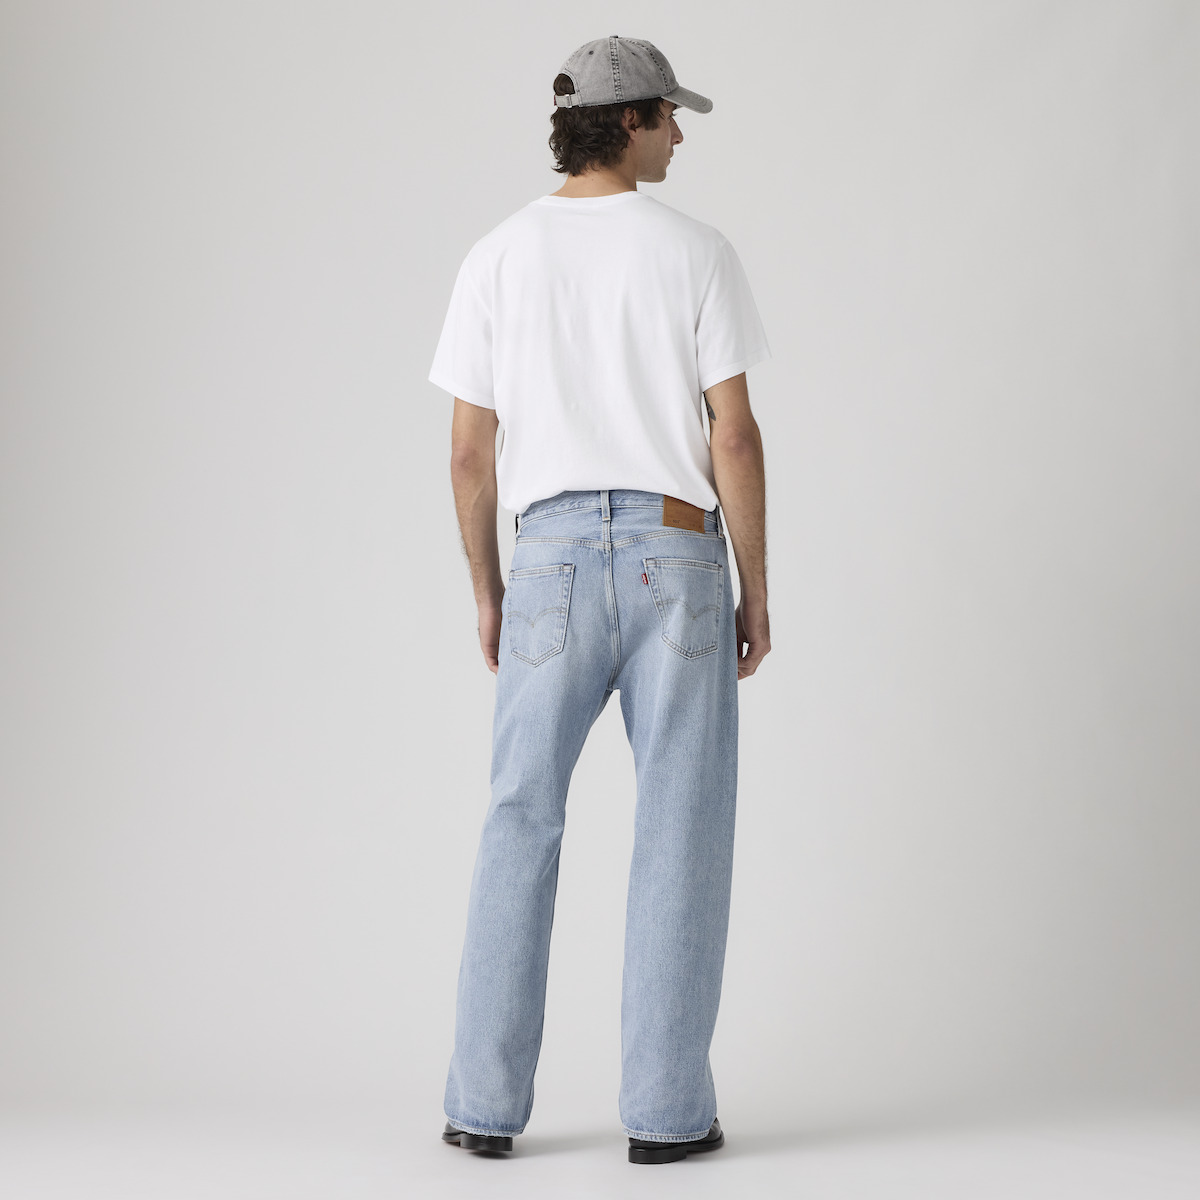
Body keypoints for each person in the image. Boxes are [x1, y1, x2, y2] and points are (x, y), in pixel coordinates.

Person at [427, 35, 772, 1165]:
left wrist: (492, 590)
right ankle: (667, 1118)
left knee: (517, 820)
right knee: (682, 827)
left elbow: (469, 453)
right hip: (679, 559)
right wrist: (755, 588)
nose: (680, 136)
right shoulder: (696, 252)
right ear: (630, 120)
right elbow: (732, 434)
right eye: (671, 116)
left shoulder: (496, 256)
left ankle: (482, 1109)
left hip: (549, 562)